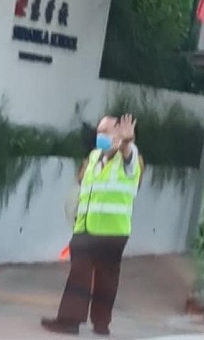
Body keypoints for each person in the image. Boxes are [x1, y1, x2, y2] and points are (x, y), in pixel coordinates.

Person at [42, 114, 143, 337]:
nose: (100, 136)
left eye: (106, 131)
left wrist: (126, 142)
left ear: (118, 134)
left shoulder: (130, 157)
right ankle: (74, 320)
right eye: (99, 131)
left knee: (106, 279)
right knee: (80, 273)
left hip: (112, 231)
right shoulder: (94, 157)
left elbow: (128, 156)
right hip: (85, 229)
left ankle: (99, 323)